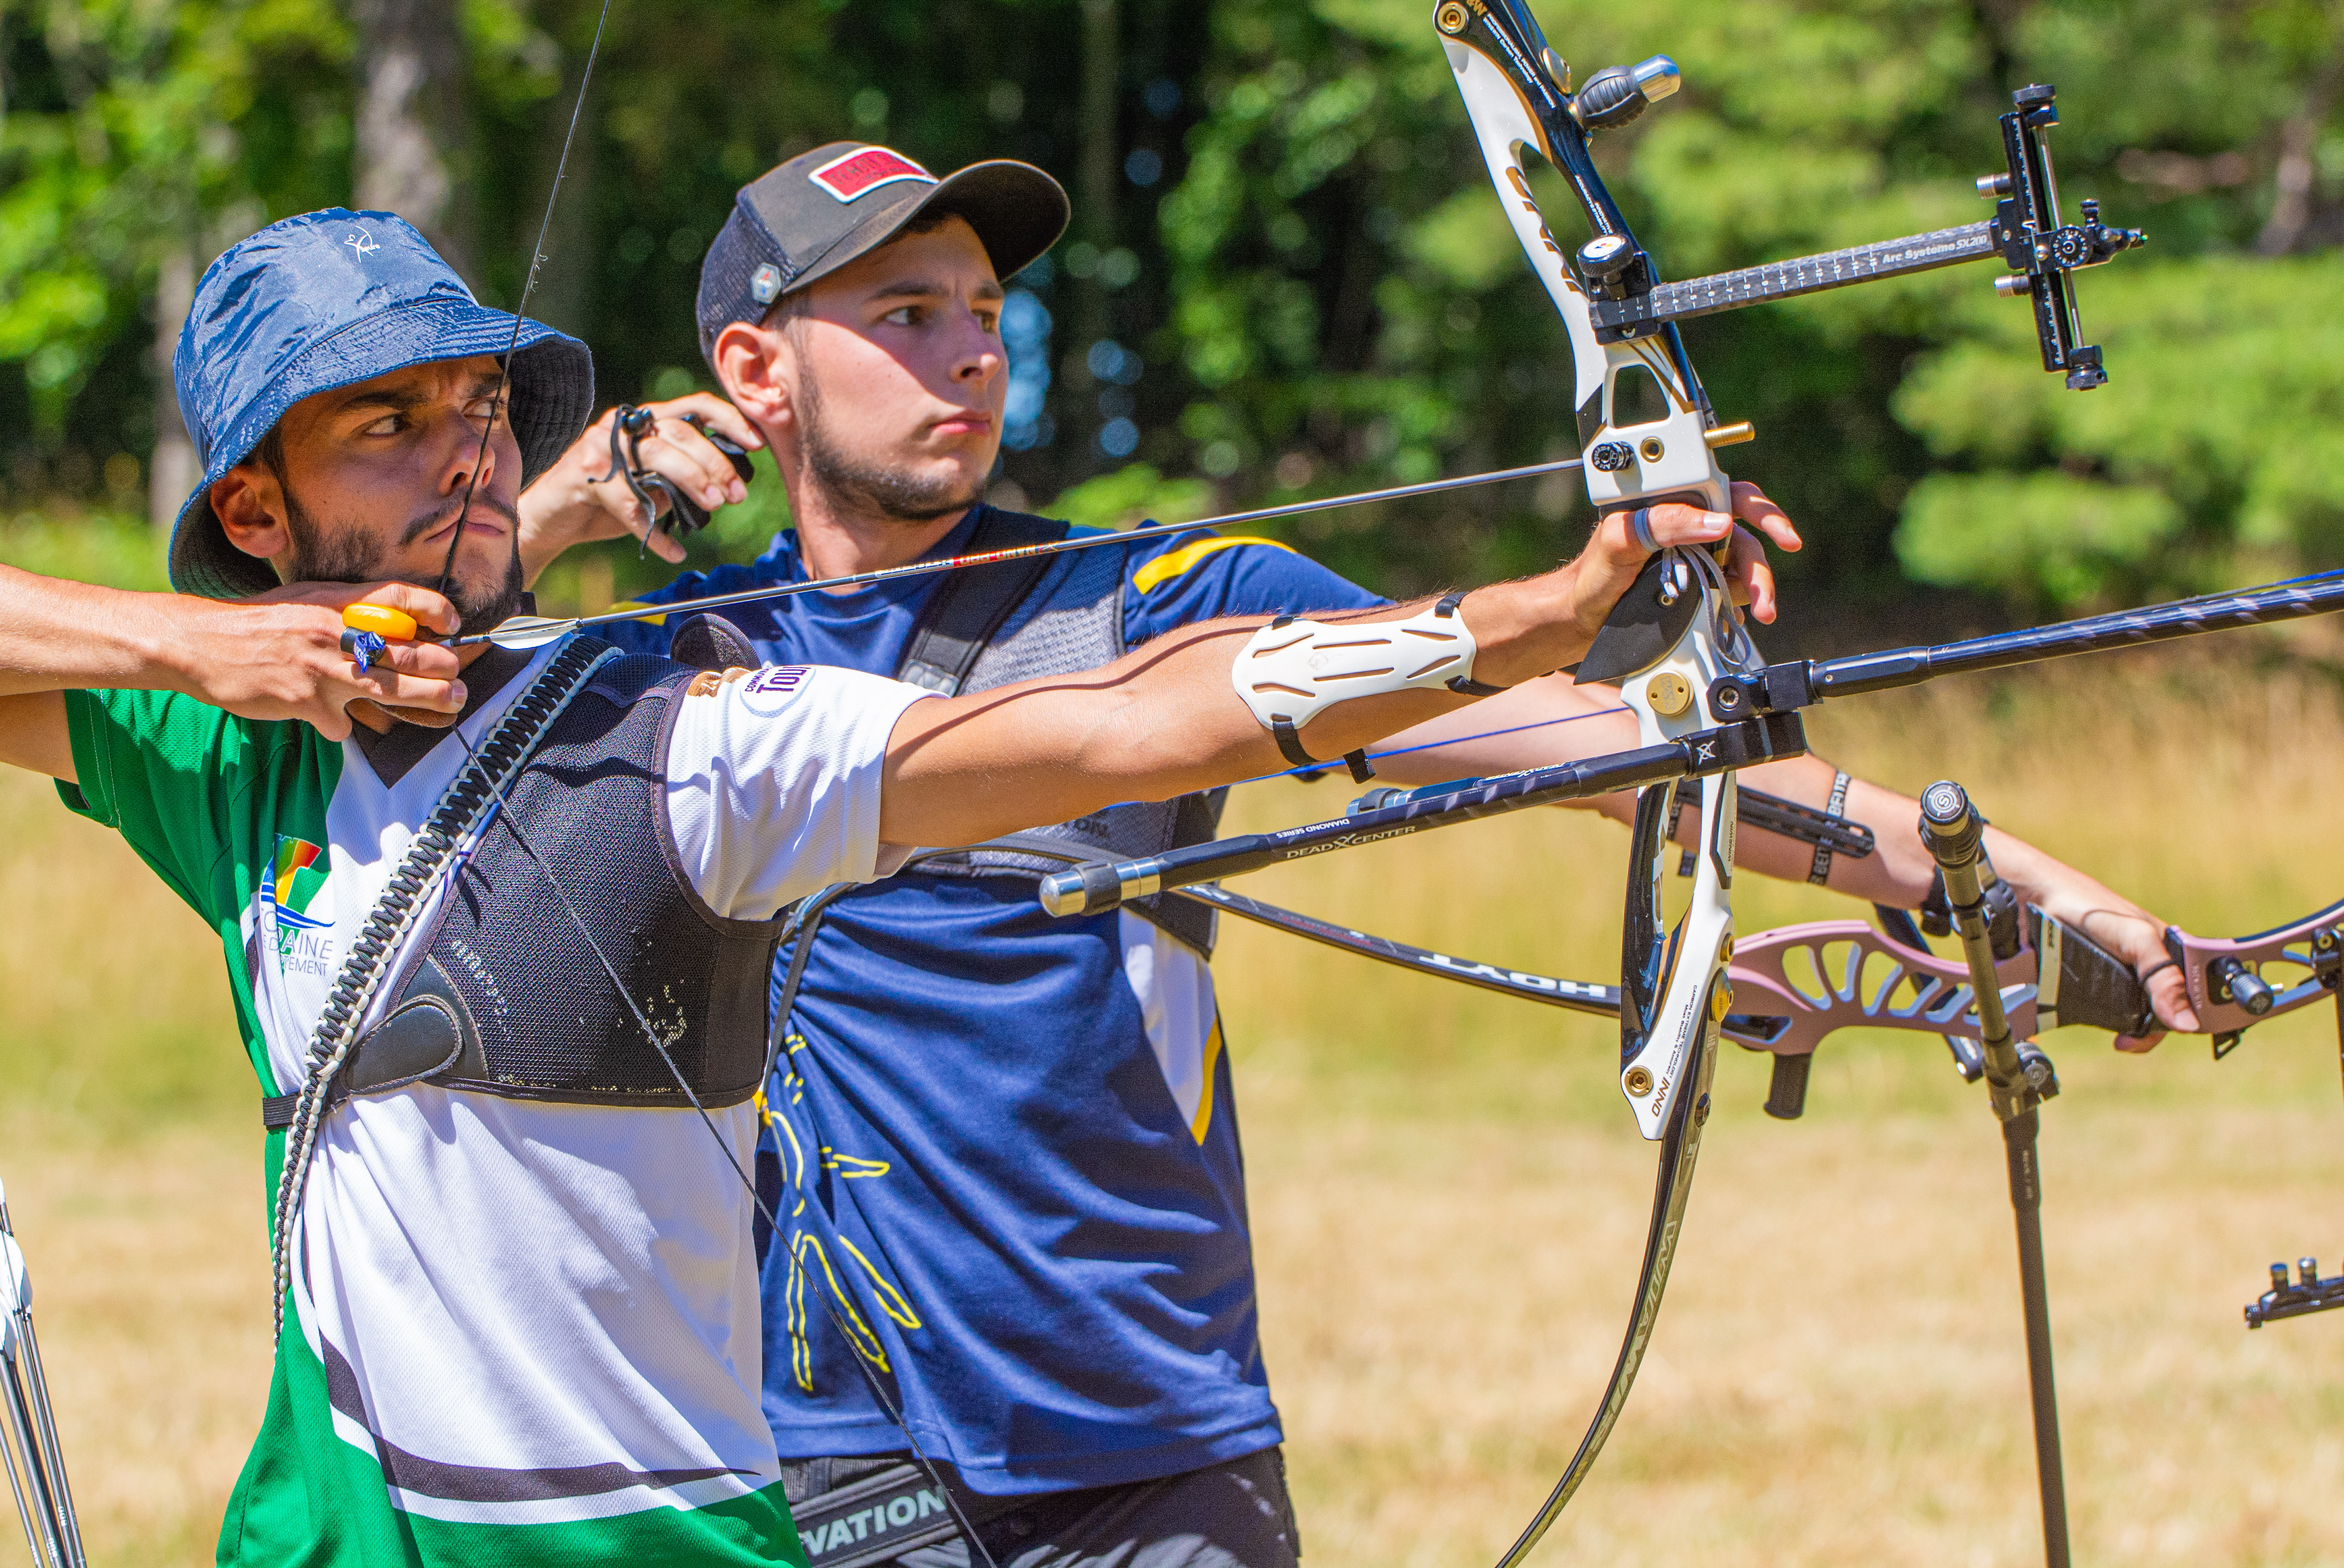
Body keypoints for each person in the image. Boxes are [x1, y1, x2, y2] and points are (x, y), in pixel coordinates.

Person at [0, 207, 1760, 1568]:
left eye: (479, 412)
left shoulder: (686, 728)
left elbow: (1142, 723)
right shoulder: (223, 751)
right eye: (388, 422)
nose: (461, 456)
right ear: (260, 509)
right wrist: (188, 646)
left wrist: (1522, 618)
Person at [511, 142, 2201, 1568]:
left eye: (983, 314)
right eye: (902, 315)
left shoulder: (1158, 607)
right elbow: (342, 717)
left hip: (1139, 1426)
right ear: (753, 372)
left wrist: (2012, 885)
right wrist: (565, 510)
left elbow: (1615, 750)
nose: (970, 356)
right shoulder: (667, 675)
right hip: (809, 1440)